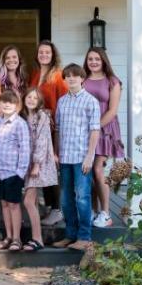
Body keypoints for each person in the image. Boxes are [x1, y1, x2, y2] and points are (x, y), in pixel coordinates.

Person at [52, 64, 100, 251]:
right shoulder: (62, 102)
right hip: (64, 157)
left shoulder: (90, 101)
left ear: (82, 79)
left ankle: (84, 237)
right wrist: (55, 152)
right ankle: (70, 234)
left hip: (82, 157)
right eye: (67, 76)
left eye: (75, 76)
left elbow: (95, 130)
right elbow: (57, 130)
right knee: (65, 199)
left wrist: (90, 157)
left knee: (82, 197)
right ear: (64, 80)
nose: (71, 79)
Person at [83, 47, 123, 228]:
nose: (93, 62)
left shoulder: (112, 81)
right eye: (90, 59)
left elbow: (112, 110)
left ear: (103, 61)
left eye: (97, 59)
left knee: (98, 169)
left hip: (105, 129)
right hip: (84, 131)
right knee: (88, 171)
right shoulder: (82, 80)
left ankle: (106, 213)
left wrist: (95, 127)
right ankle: (92, 210)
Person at [29, 41, 66, 226]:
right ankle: (50, 206)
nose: (44, 55)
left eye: (47, 52)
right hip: (37, 128)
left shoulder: (58, 76)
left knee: (52, 167)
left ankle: (57, 209)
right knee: (41, 168)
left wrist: (57, 128)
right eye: (41, 52)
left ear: (53, 55)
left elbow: (63, 102)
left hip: (52, 129)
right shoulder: (35, 74)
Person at [0, 88, 31, 251]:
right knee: (4, 205)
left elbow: (25, 149)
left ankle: (17, 239)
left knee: (14, 205)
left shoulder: (20, 124)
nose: (7, 105)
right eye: (4, 102)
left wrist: (20, 172)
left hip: (13, 172)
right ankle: (8, 236)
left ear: (17, 105)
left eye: (11, 102)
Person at [22, 87, 57, 253]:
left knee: (28, 201)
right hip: (27, 162)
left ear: (39, 101)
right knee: (33, 201)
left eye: (34, 98)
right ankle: (34, 237)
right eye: (28, 97)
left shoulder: (42, 116)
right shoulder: (23, 116)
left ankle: (38, 239)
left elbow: (42, 142)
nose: (31, 100)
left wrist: (36, 164)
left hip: (39, 163)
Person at [0, 45, 28, 125]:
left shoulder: (22, 80)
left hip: (19, 126)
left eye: (14, 57)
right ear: (3, 61)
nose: (11, 60)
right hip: (2, 127)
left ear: (19, 59)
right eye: (7, 58)